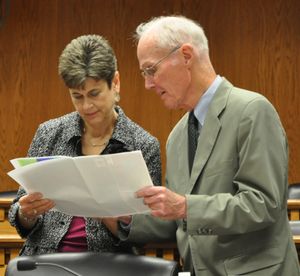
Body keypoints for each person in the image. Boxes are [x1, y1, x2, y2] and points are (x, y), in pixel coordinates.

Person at [118, 16, 300, 275]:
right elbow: (178, 222)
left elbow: (262, 204)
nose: (147, 84)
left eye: (151, 70)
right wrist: (120, 217)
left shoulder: (252, 111)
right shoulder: (177, 136)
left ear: (186, 56)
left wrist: (184, 206)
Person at [8, 34, 162, 256]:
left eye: (94, 94)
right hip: (44, 260)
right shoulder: (49, 133)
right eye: (77, 96)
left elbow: (145, 232)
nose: (87, 105)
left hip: (109, 263)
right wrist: (27, 212)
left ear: (115, 83)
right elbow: (18, 214)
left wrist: (102, 210)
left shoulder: (143, 145)